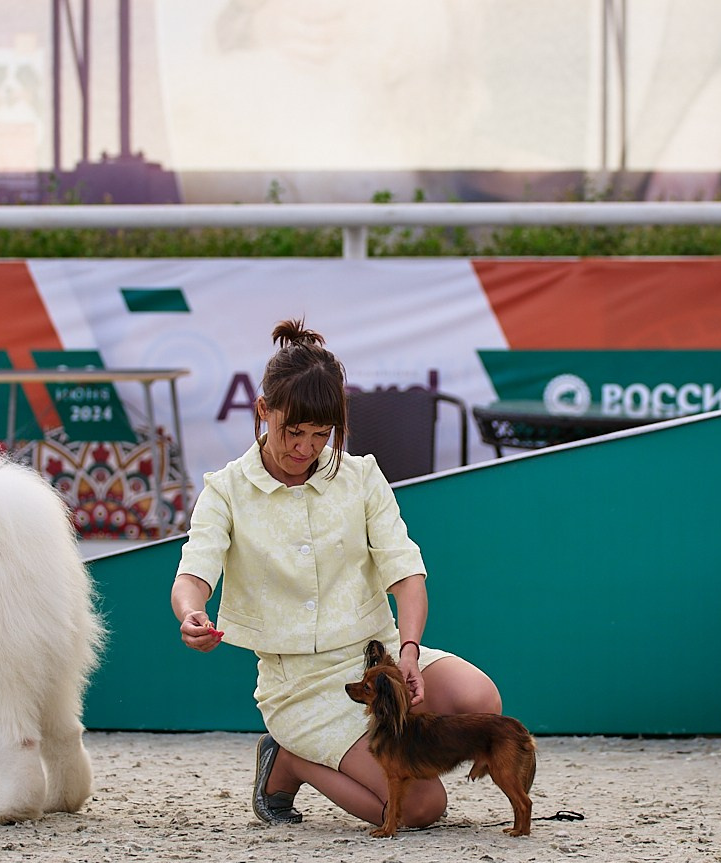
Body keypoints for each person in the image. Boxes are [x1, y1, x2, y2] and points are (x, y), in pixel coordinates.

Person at [171, 320, 503, 829]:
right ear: (264, 412)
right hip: (300, 686)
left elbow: (406, 573)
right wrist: (191, 612)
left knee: (481, 700)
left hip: (378, 660)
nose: (305, 448)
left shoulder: (362, 476)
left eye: (321, 434)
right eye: (292, 432)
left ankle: (358, 749)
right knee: (420, 809)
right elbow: (194, 572)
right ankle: (289, 757)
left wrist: (410, 651)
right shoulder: (226, 490)